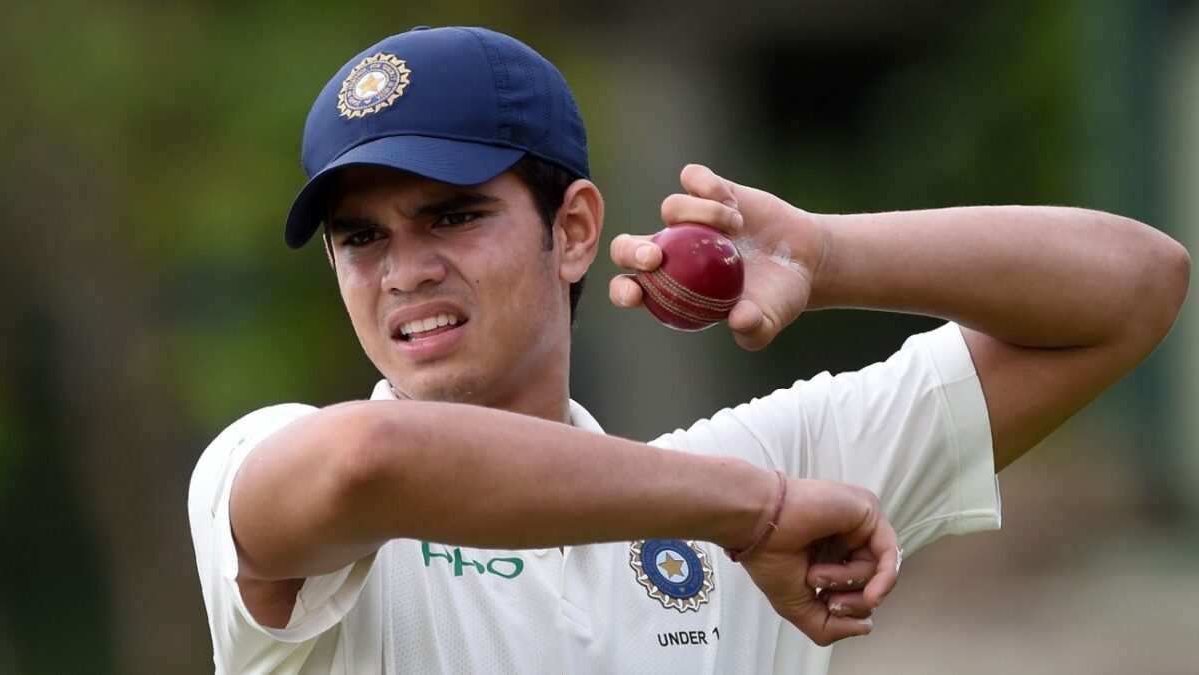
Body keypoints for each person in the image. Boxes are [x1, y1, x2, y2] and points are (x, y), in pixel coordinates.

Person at [187, 25, 1191, 675]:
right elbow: (371, 462)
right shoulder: (264, 466)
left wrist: (826, 253)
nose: (403, 269)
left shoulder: (746, 477)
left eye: (450, 216)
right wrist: (753, 514)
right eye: (360, 238)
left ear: (575, 228)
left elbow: (1136, 284)